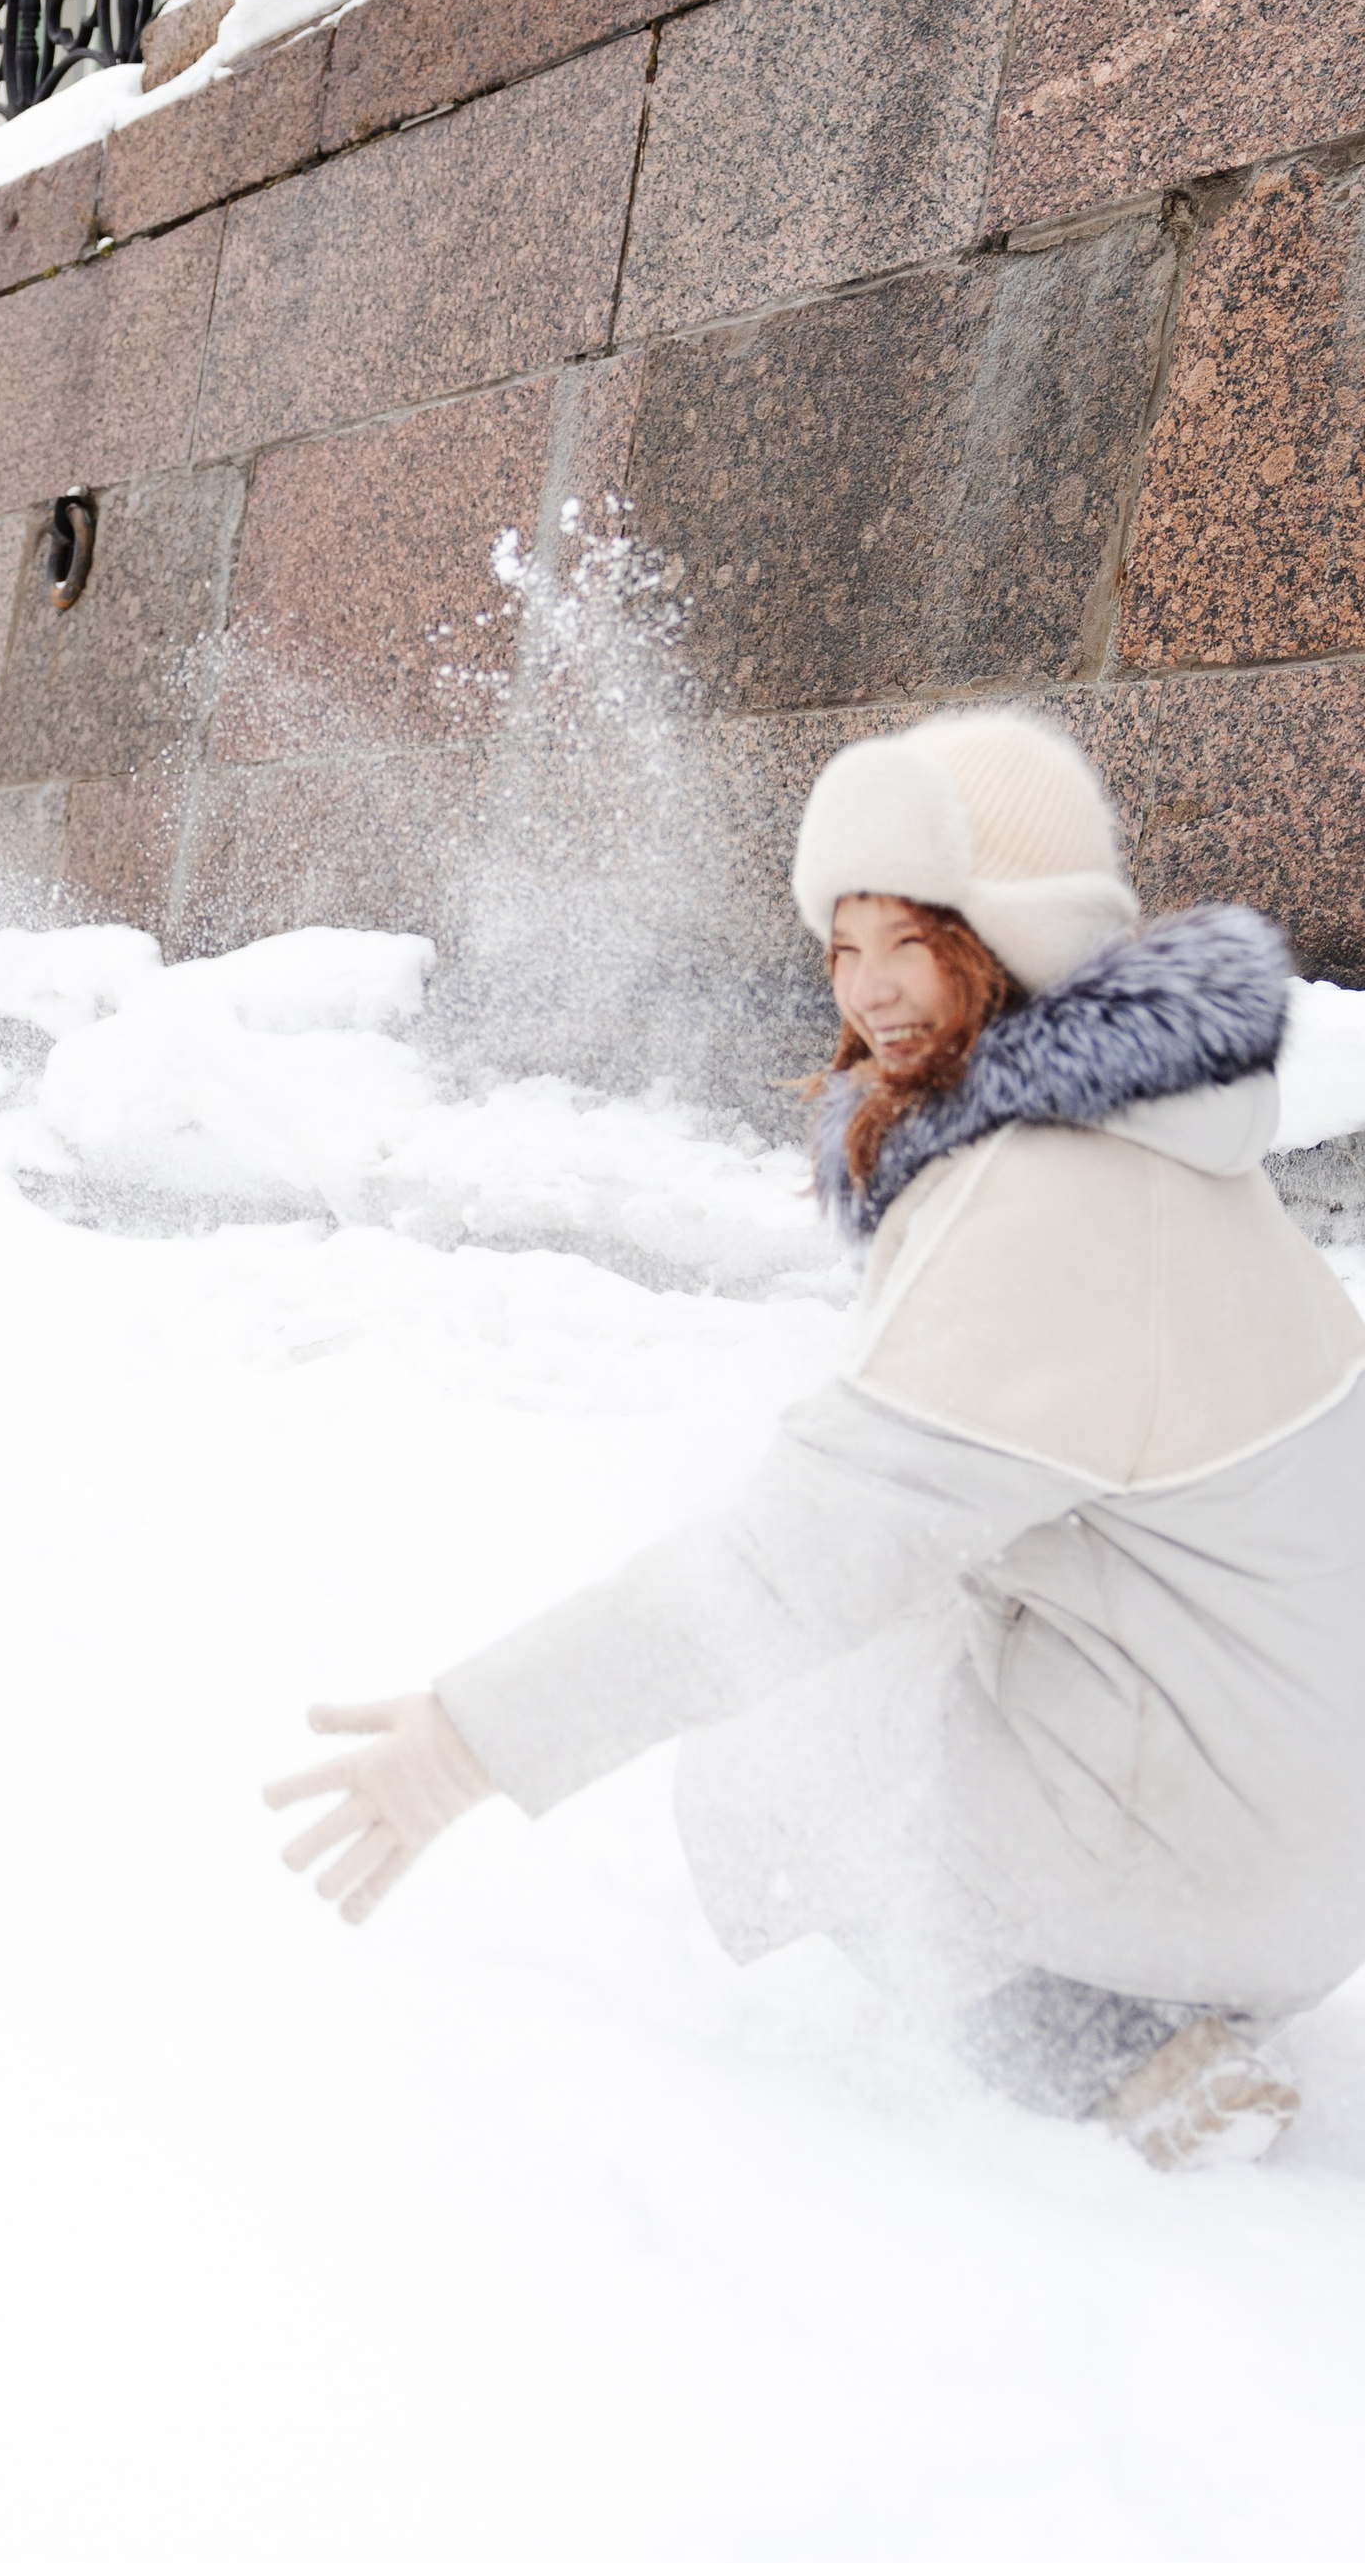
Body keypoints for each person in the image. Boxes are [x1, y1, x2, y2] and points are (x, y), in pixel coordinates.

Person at [268, 711, 1365, 2170]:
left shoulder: (1046, 1204)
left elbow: (782, 1575)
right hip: (1309, 1825)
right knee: (899, 1632)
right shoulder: (1178, 1148)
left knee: (772, 1768)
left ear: (1007, 935)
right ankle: (1157, 1965)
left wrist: (465, 1741)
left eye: (905, 938)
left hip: (1224, 1861)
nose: (867, 992)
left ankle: (1125, 2060)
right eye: (840, 948)